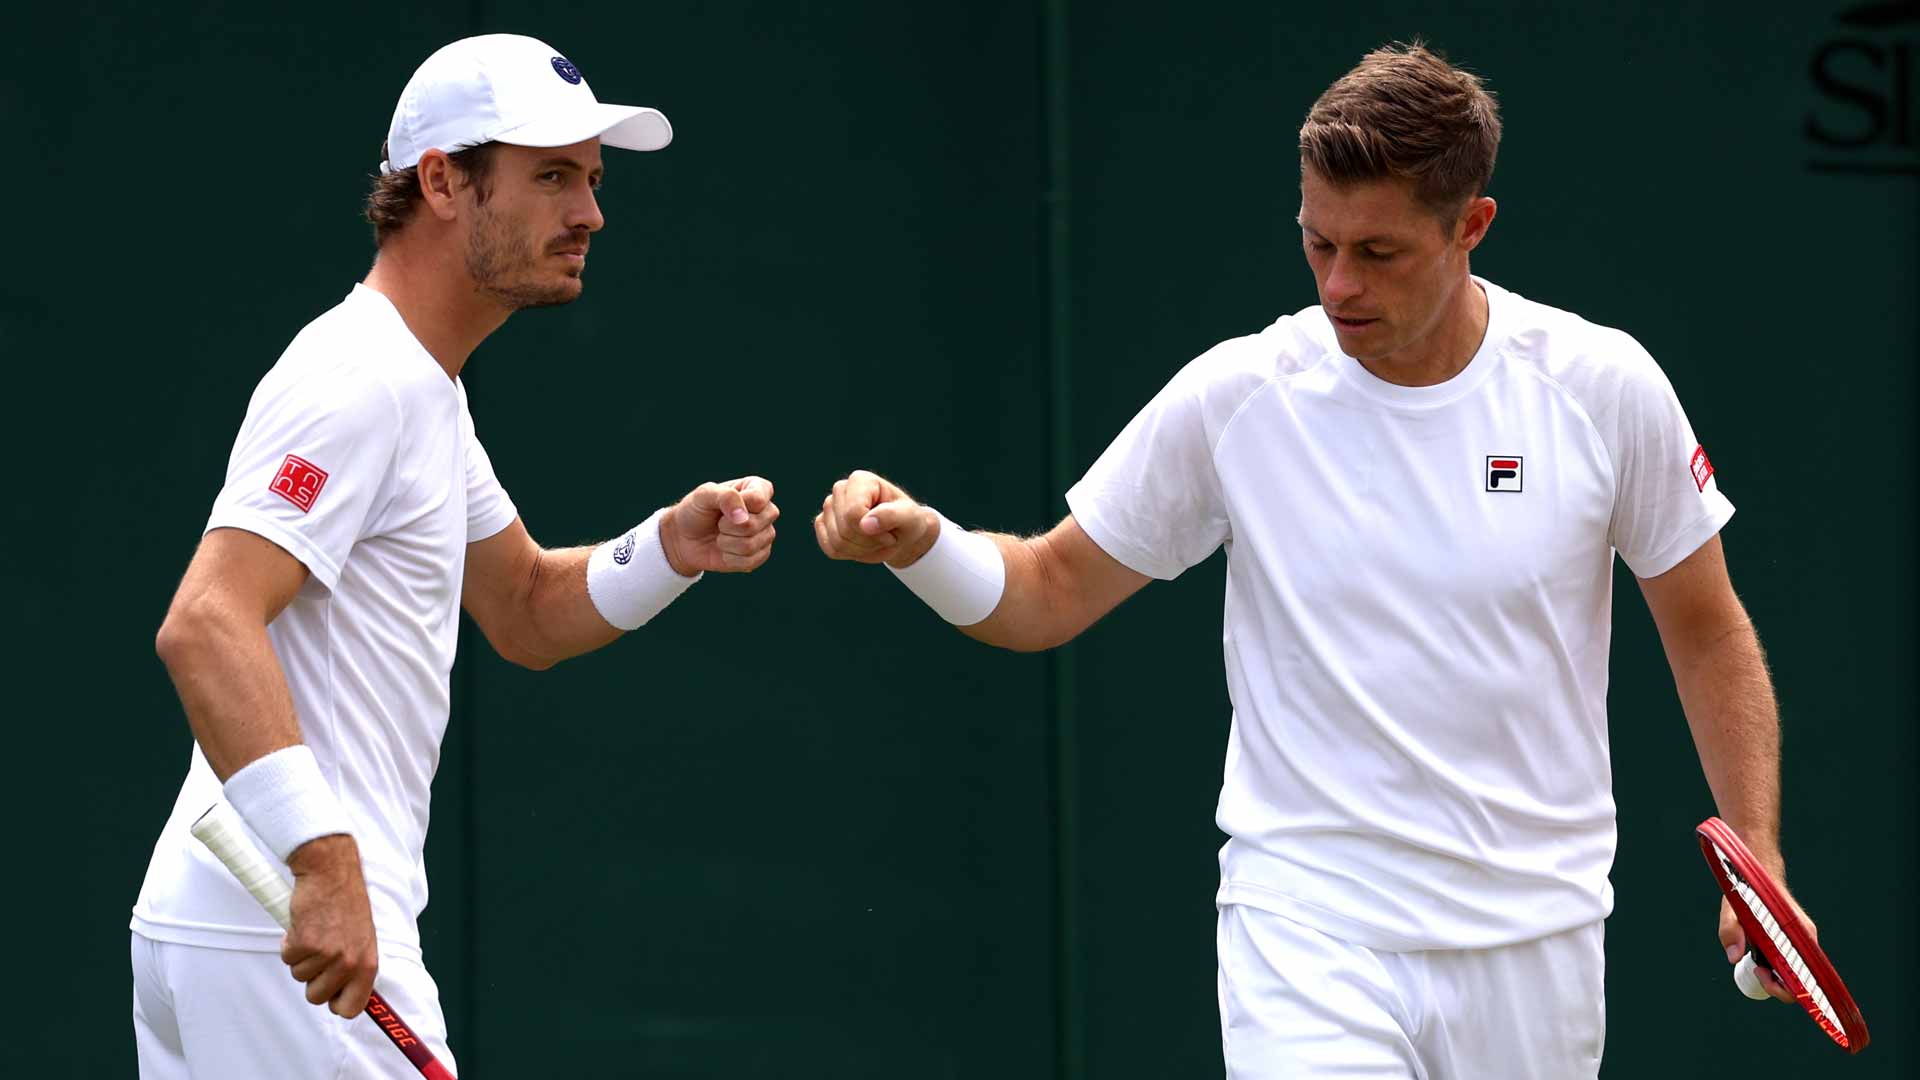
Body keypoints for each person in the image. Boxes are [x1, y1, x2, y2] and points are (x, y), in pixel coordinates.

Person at [815, 41, 1807, 1077]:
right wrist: (924, 547)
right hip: (1308, 927)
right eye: (1316, 243)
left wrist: (1759, 856)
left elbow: (1706, 626)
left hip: (1536, 937)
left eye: (1377, 254)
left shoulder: (1601, 387)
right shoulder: (1241, 395)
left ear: (1472, 227)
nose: (1339, 285)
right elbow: (1046, 594)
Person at [131, 34, 780, 1077]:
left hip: (250, 935)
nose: (591, 214)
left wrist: (671, 546)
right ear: (441, 180)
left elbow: (525, 607)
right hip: (290, 937)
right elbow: (205, 620)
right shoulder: (360, 378)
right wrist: (325, 863)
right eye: (553, 176)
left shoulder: (424, 388)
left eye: (594, 179)